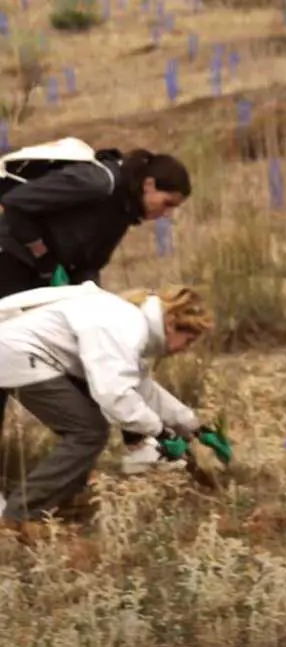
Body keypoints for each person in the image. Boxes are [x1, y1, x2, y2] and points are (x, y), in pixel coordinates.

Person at [0, 145, 192, 473]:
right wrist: (47, 260)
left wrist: (98, 302)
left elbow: (88, 264)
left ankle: (137, 445)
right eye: (167, 203)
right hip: (10, 262)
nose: (167, 213)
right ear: (148, 185)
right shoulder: (97, 183)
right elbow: (16, 205)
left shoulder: (121, 211)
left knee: (98, 355)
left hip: (38, 275)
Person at [0, 283, 214, 530]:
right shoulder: (126, 326)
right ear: (171, 323)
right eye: (187, 341)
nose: (185, 350)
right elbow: (115, 396)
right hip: (17, 354)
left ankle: (59, 498)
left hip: (17, 350)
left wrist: (195, 427)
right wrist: (162, 433)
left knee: (88, 427)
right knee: (88, 432)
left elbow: (142, 389)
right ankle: (20, 516)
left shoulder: (132, 322)